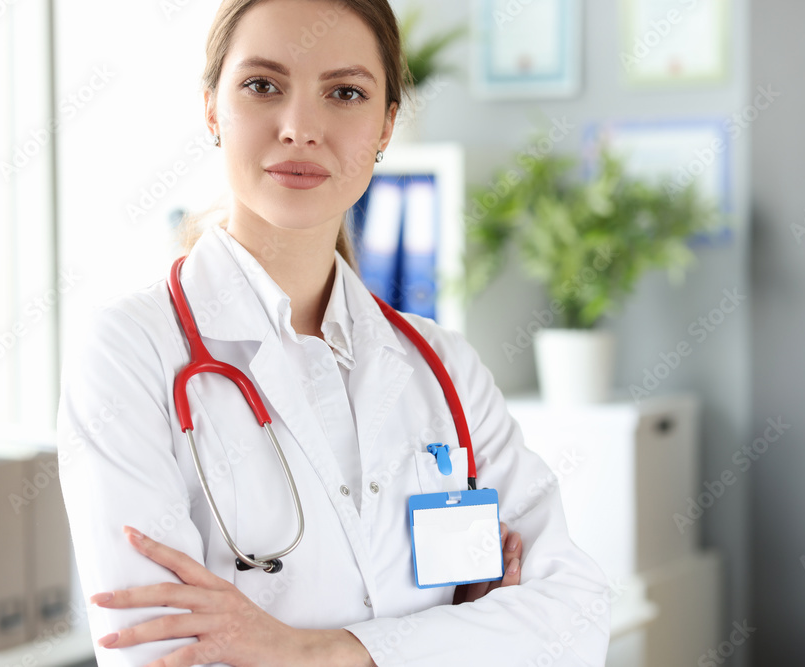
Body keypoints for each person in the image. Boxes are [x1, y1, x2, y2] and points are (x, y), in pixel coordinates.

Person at [56, 0, 612, 665]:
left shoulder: (444, 369)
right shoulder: (129, 354)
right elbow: (158, 653)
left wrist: (311, 650)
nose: (300, 127)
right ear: (211, 108)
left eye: (345, 92)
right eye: (263, 85)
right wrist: (464, 640)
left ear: (386, 125)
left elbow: (576, 617)